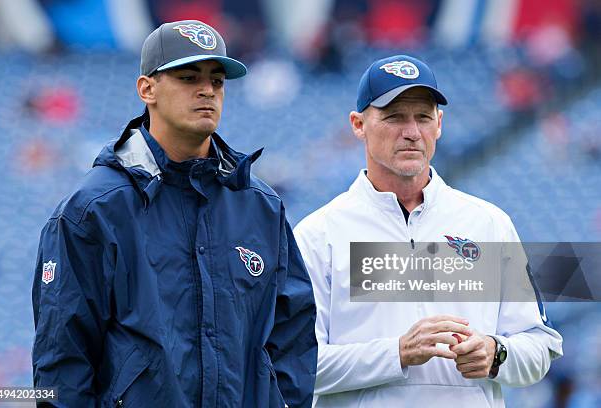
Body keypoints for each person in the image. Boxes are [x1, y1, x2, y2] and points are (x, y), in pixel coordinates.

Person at [32, 20, 317, 408]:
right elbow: (60, 360)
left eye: (217, 81)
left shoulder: (260, 205)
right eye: (188, 77)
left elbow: (293, 337)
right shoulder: (93, 210)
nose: (207, 90)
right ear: (147, 89)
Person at [293, 55, 563, 407]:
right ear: (358, 125)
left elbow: (540, 346)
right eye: (394, 117)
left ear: (439, 123)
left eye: (423, 117)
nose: (411, 132)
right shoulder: (318, 234)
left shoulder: (488, 223)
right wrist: (397, 353)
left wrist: (496, 353)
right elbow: (297, 364)